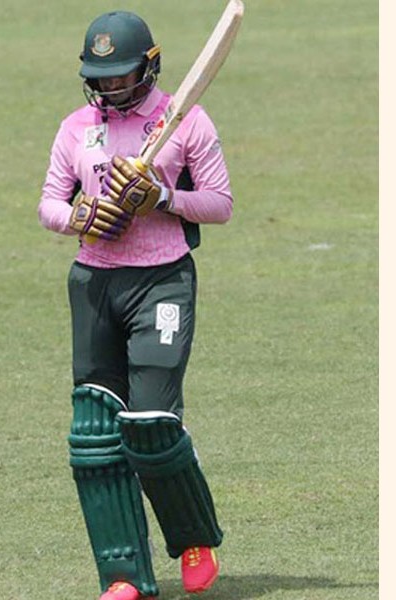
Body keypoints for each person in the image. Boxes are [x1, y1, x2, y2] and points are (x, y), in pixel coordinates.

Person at [38, 10, 233, 600]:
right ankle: (124, 576)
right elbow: (49, 203)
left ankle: (193, 538)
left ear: (149, 68)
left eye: (122, 75)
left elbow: (220, 203)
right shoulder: (76, 128)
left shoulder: (186, 122)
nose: (111, 86)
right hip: (94, 285)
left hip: (161, 283)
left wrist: (161, 198)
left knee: (151, 426)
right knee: (94, 434)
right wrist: (81, 215)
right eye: (101, 77)